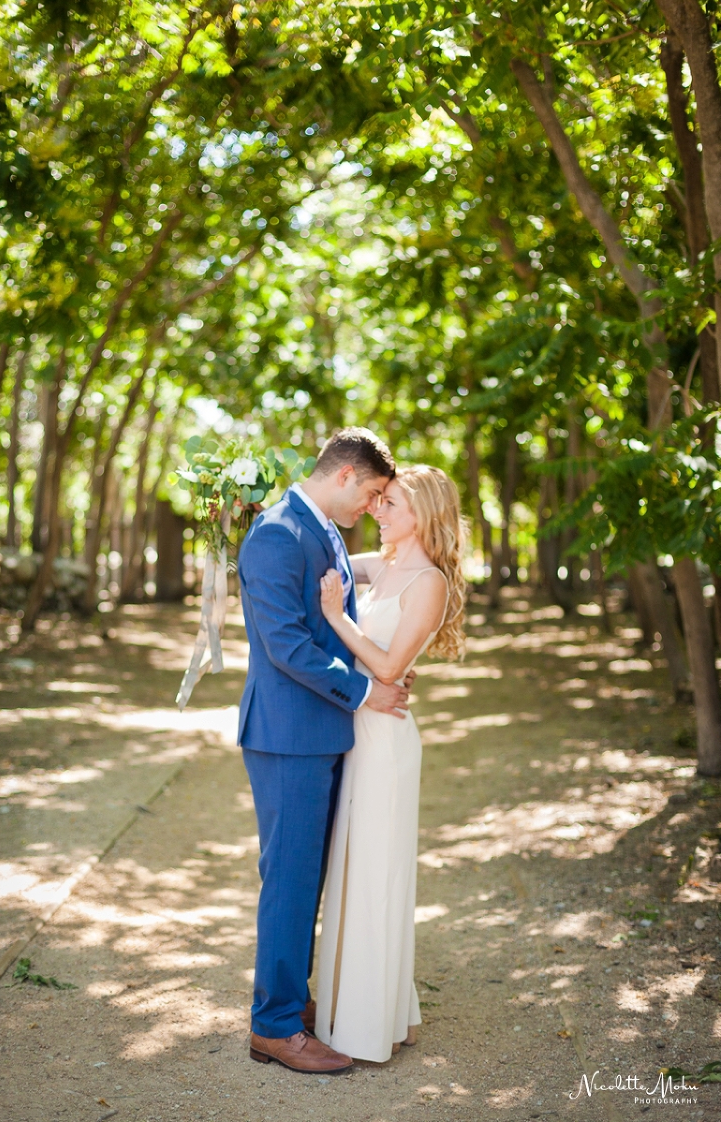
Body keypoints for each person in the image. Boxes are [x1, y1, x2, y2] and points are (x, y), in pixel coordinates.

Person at [237, 427, 411, 1074]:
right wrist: (367, 691)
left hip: (319, 732)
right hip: (289, 736)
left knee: (308, 877)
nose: (371, 506)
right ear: (344, 476)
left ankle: (291, 999)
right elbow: (286, 646)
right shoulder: (279, 534)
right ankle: (274, 1026)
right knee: (289, 881)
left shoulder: (323, 529)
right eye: (369, 493)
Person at [315, 465, 466, 1063]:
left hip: (387, 739)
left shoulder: (427, 581)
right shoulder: (382, 565)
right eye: (380, 499)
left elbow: (386, 667)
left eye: (392, 502)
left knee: (377, 877)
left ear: (424, 514)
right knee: (354, 872)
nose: (379, 508)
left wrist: (335, 618)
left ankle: (367, 1025)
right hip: (360, 733)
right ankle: (356, 1008)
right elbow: (326, 559)